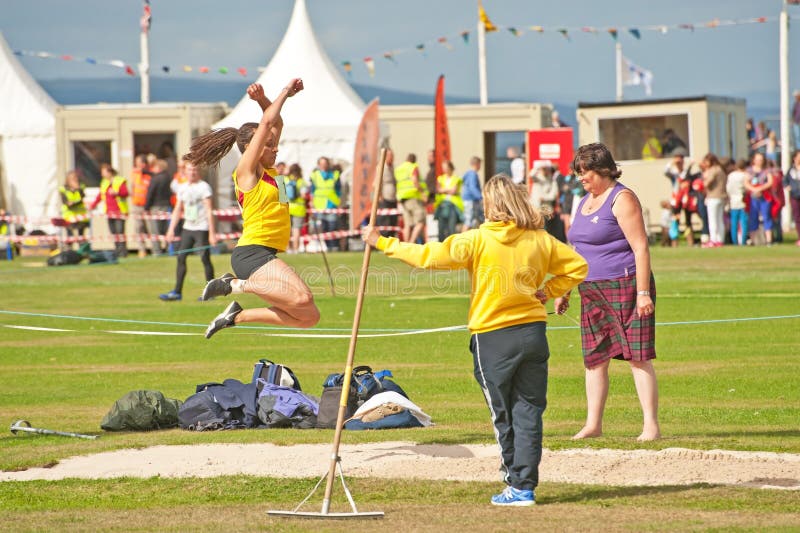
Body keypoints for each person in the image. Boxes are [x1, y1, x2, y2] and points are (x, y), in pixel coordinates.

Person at [362, 175, 588, 506]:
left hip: (493, 337)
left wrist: (383, 242)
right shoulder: (540, 239)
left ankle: (516, 482)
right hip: (533, 333)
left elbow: (429, 256)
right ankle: (524, 485)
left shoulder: (478, 239)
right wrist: (549, 291)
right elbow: (578, 266)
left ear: (491, 205)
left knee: (503, 415)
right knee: (528, 411)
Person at [189, 79, 320, 337]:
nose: (275, 148)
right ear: (252, 148)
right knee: (303, 298)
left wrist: (263, 100)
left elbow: (275, 124)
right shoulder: (247, 173)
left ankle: (236, 316)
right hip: (252, 253)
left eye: (275, 144)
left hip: (266, 252)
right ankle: (234, 285)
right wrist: (284, 92)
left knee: (309, 317)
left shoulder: (272, 172)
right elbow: (268, 124)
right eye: (269, 145)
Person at [567, 142, 660, 442]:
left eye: (586, 172)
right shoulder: (582, 202)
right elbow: (575, 250)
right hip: (590, 289)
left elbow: (641, 247)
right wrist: (565, 288)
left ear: (603, 169)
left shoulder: (622, 199)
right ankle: (593, 424)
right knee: (594, 360)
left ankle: (651, 427)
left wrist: (643, 292)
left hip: (626, 285)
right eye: (578, 172)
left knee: (637, 357)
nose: (581, 177)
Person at [159, 160, 217, 301]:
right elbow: (178, 209)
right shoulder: (182, 187)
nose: (192, 172)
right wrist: (171, 230)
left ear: (199, 171)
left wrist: (212, 233)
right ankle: (177, 292)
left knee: (205, 258)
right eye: (190, 170)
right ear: (185, 171)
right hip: (188, 227)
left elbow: (209, 210)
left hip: (201, 228)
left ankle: (210, 293)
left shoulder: (204, 188)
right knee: (181, 258)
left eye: (195, 170)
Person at [89, 163, 129, 258]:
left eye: (104, 172)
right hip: (109, 212)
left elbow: (126, 193)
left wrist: (117, 193)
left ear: (109, 172)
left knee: (120, 232)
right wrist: (93, 205)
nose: (102, 174)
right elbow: (100, 195)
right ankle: (117, 251)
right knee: (113, 232)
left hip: (119, 211)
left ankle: (122, 252)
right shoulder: (104, 183)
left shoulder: (119, 180)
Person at [309, 156, 341, 251]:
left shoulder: (335, 175)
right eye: (321, 163)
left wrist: (339, 203)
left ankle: (333, 246)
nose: (324, 165)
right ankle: (323, 247)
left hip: (332, 204)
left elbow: (339, 190)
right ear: (318, 165)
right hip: (319, 205)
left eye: (325, 163)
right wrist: (311, 202)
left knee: (332, 227)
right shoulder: (314, 175)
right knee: (321, 227)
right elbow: (312, 190)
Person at [395, 153, 427, 243]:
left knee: (407, 224)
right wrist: (422, 193)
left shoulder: (399, 169)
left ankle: (405, 246)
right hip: (413, 197)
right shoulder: (413, 167)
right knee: (420, 221)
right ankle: (411, 243)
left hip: (402, 198)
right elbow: (415, 181)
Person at [745, 152, 776, 246]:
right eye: (757, 159)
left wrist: (761, 188)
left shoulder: (767, 171)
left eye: (761, 160)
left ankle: (769, 240)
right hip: (753, 197)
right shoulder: (749, 171)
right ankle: (752, 240)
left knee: (766, 216)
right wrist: (754, 189)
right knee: (753, 217)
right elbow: (746, 182)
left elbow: (770, 182)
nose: (759, 162)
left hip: (765, 197)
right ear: (754, 160)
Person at [144, 159, 173, 255]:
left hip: (155, 206)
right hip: (167, 205)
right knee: (166, 229)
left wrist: (146, 207)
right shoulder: (168, 177)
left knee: (155, 231)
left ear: (159, 168)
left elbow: (150, 193)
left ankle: (157, 251)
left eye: (154, 167)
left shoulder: (155, 179)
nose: (153, 169)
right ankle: (169, 248)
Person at [700, 153, 727, 248]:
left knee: (712, 219)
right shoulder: (721, 169)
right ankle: (720, 240)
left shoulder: (713, 170)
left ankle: (713, 240)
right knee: (719, 219)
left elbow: (707, 183)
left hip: (713, 197)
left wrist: (702, 180)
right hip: (722, 196)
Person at [433, 160, 463, 241]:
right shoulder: (440, 178)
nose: (444, 170)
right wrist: (448, 189)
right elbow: (438, 190)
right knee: (441, 228)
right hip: (442, 205)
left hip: (452, 205)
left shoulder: (456, 178)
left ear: (450, 168)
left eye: (446, 168)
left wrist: (444, 190)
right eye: (443, 168)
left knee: (451, 228)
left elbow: (454, 191)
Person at [129, 154, 152, 257]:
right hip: (137, 205)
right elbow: (132, 187)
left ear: (143, 164)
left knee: (150, 227)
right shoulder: (134, 174)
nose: (137, 165)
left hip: (148, 206)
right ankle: (142, 249)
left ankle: (154, 247)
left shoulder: (150, 175)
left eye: (138, 163)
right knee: (139, 227)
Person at [59, 170, 89, 241]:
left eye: (76, 177)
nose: (75, 179)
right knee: (70, 237)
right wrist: (73, 203)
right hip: (69, 216)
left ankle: (81, 251)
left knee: (81, 237)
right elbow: (66, 202)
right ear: (68, 179)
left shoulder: (80, 187)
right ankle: (70, 250)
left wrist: (78, 189)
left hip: (80, 216)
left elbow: (82, 197)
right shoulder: (63, 189)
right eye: (73, 178)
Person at [726, 159, 750, 246]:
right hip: (743, 200)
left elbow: (728, 189)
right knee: (743, 222)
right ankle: (743, 241)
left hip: (733, 201)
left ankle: (735, 241)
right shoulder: (745, 175)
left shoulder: (731, 176)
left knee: (734, 223)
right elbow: (747, 188)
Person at [286, 163, 308, 253]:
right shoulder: (302, 182)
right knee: (296, 230)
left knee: (287, 229)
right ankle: (296, 249)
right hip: (299, 208)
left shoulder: (284, 179)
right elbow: (303, 196)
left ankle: (288, 248)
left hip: (286, 207)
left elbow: (281, 196)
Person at [376, 148, 398, 237]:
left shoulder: (392, 167)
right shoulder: (381, 167)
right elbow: (378, 182)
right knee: (385, 220)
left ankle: (391, 238)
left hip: (393, 197)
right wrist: (380, 195)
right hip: (385, 197)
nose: (391, 158)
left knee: (393, 220)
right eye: (389, 156)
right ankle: (384, 238)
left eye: (392, 156)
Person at [461, 156, 484, 230]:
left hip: (470, 200)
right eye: (480, 164)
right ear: (476, 164)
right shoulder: (473, 174)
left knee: (476, 221)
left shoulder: (468, 173)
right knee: (468, 221)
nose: (480, 166)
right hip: (471, 200)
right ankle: (462, 240)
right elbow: (472, 187)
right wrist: (481, 197)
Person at [783, 150, 800, 246]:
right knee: (797, 217)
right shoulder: (791, 170)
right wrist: (788, 187)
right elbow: (785, 181)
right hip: (794, 196)